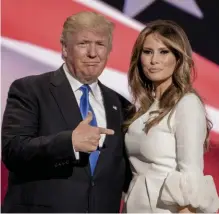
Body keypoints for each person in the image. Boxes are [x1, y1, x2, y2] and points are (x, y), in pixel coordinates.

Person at [1, 11, 131, 213]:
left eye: (100, 44)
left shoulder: (121, 105)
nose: (92, 53)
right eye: (83, 43)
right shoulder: (31, 89)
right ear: (64, 48)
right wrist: (69, 142)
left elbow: (125, 175)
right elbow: (13, 151)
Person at [122, 20, 219, 213]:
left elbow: (191, 174)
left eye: (164, 52)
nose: (154, 60)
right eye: (147, 52)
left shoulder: (187, 104)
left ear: (178, 58)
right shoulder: (143, 109)